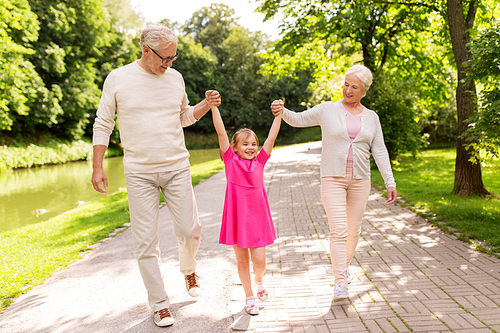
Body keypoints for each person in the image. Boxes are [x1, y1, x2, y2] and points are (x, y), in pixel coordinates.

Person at [91, 24, 221, 327]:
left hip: (177, 166)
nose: (170, 64)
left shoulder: (175, 78)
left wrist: (204, 105)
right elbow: (103, 123)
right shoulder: (118, 79)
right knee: (145, 243)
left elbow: (184, 116)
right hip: (139, 173)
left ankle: (188, 268)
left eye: (174, 57)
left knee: (191, 230)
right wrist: (98, 166)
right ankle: (160, 304)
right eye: (165, 58)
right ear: (146, 51)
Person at [271, 64, 397, 302]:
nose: (348, 90)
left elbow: (379, 149)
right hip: (332, 178)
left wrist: (389, 181)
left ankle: (344, 266)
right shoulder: (328, 109)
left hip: (361, 180)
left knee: (353, 231)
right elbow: (298, 119)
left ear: (364, 91)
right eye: (346, 84)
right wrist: (282, 110)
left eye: (354, 87)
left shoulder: (372, 117)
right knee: (338, 230)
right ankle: (340, 282)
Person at [209, 102, 281, 315]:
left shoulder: (260, 161)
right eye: (245, 144)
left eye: (253, 143)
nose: (250, 147)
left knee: (259, 262)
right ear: (235, 148)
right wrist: (214, 107)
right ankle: (249, 297)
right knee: (242, 260)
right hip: (237, 218)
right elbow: (221, 133)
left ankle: (259, 281)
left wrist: (279, 115)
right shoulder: (230, 161)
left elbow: (271, 139)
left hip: (257, 220)